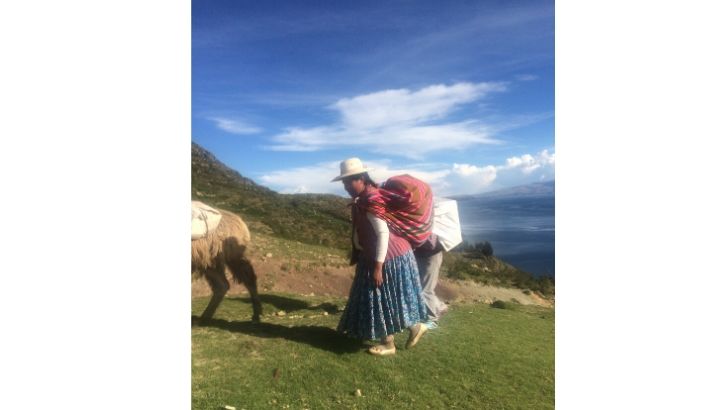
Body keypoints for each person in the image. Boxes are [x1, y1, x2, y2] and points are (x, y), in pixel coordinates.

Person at [332, 157, 429, 356]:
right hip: (379, 256)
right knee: (383, 298)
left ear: (361, 179)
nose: (346, 187)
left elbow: (383, 233)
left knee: (382, 298)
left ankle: (390, 343)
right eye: (344, 183)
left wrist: (378, 267)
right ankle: (413, 328)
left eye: (348, 182)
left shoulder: (371, 199)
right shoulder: (365, 197)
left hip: (389, 258)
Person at [413, 233, 449, 329]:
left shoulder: (428, 227)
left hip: (429, 255)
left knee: (426, 289)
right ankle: (439, 306)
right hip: (429, 255)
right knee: (424, 286)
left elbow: (430, 243)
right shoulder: (431, 227)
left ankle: (432, 320)